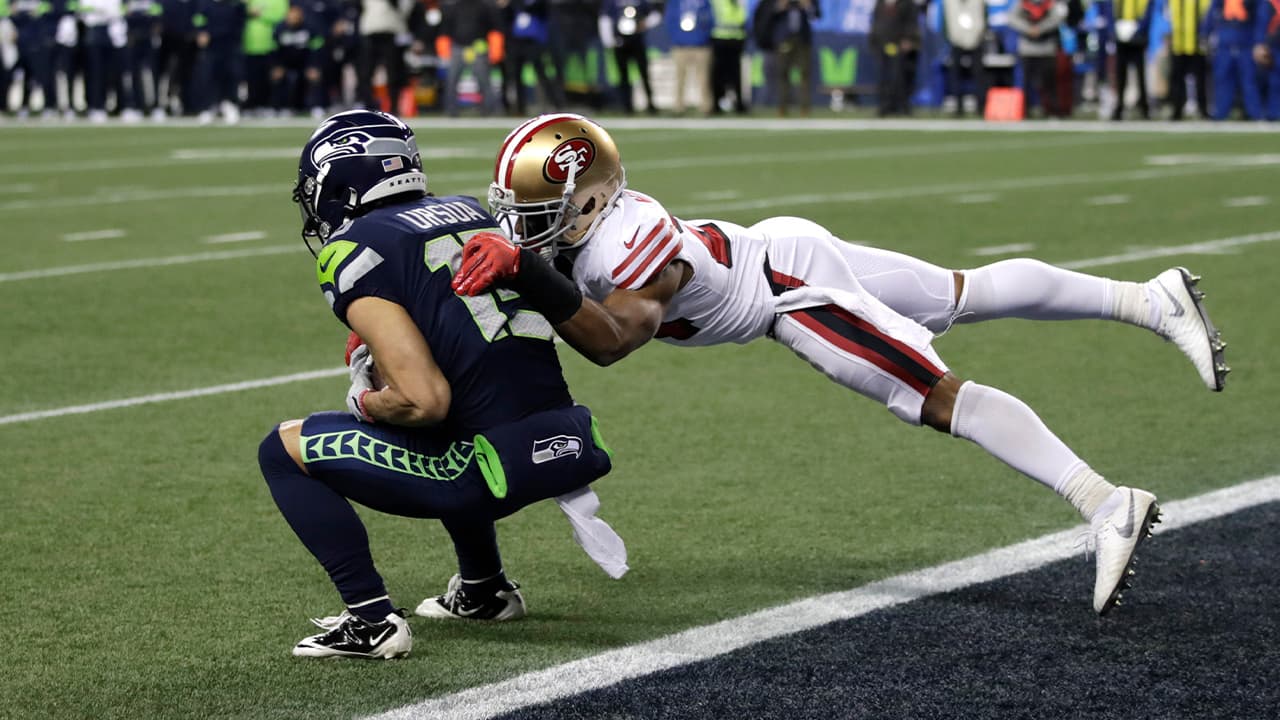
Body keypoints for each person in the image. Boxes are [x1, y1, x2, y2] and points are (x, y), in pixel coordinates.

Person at [456, 113, 1233, 617]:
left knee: (934, 396)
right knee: (964, 292)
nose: (522, 228)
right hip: (781, 247)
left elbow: (612, 340)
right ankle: (1151, 300)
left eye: (535, 214)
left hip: (789, 291)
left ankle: (1105, 502)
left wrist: (525, 276)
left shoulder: (628, 240)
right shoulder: (588, 234)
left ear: (593, 199)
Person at [263, 110, 617, 659]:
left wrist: (367, 400)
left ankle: (370, 621)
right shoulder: (472, 212)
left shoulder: (353, 247)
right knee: (465, 414)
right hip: (562, 440)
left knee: (282, 450)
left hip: (481, 466)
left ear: (341, 177)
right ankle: (483, 588)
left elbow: (422, 400)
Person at [599, 0, 660, 114]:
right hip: (620, 42)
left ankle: (651, 105)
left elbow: (655, 15)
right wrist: (608, 41)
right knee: (623, 76)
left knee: (644, 74)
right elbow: (605, 19)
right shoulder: (611, 2)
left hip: (637, 41)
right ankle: (627, 106)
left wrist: (644, 23)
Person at [1008, 0, 1066, 118]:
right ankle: (1025, 110)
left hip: (1047, 49)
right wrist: (1028, 29)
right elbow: (1011, 18)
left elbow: (1057, 17)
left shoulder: (1050, 3)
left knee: (1049, 83)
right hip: (1027, 49)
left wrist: (1040, 29)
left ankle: (1052, 111)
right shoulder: (1023, 3)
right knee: (1026, 82)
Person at [870, 0, 921, 117]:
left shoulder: (907, 3)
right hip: (883, 43)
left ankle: (902, 106)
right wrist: (874, 40)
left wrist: (908, 39)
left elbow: (911, 22)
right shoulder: (880, 3)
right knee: (883, 77)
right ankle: (884, 106)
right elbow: (876, 22)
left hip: (899, 44)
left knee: (899, 77)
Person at [1108, 0, 1154, 120]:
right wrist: (1115, 29)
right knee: (1120, 76)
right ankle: (1119, 108)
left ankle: (1144, 108)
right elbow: (1111, 11)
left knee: (1140, 76)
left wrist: (1137, 30)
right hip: (1121, 38)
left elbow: (1148, 12)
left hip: (1137, 39)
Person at [1166, 0, 1211, 120]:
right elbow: (1168, 18)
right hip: (1178, 45)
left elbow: (1207, 17)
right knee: (1177, 80)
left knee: (1200, 80)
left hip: (1196, 45)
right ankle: (1177, 110)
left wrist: (1204, 37)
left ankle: (1203, 110)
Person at [1255, 0, 1280, 120]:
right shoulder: (1269, 3)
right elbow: (1262, 22)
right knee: (1273, 81)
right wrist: (1261, 44)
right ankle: (1273, 113)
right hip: (1274, 46)